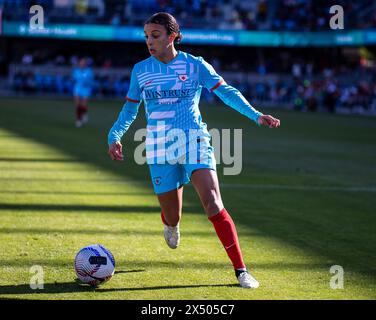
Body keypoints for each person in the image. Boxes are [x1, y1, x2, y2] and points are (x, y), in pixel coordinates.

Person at [107, 12, 280, 289]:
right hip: (158, 147)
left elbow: (226, 92)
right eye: (146, 36)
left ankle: (241, 270)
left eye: (155, 35)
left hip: (194, 141)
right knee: (172, 215)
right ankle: (171, 223)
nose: (149, 41)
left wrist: (256, 115)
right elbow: (130, 107)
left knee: (212, 201)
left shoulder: (194, 65)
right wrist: (115, 135)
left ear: (172, 36)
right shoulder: (141, 70)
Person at [72, 57, 94, 127]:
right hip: (78, 88)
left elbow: (91, 80)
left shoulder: (89, 71)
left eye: (83, 63)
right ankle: (78, 120)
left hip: (86, 89)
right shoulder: (76, 71)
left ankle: (84, 113)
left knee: (84, 105)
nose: (82, 64)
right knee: (78, 104)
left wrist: (87, 82)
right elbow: (74, 79)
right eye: (81, 63)